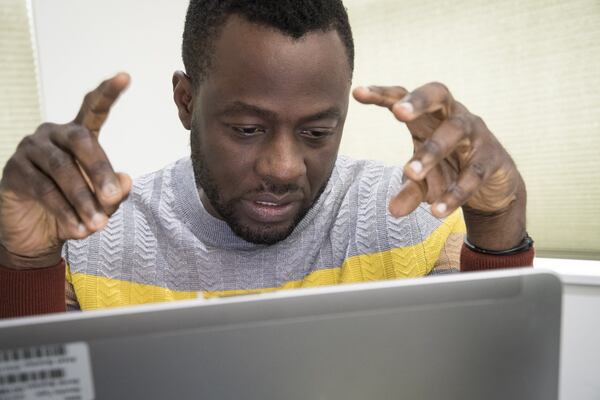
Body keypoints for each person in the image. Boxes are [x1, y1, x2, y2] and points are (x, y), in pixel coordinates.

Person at [0, 0, 533, 318]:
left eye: (317, 131)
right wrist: (24, 263)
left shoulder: (408, 224)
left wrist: (497, 222)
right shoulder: (96, 246)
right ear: (187, 102)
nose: (283, 168)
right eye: (248, 129)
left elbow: (490, 380)